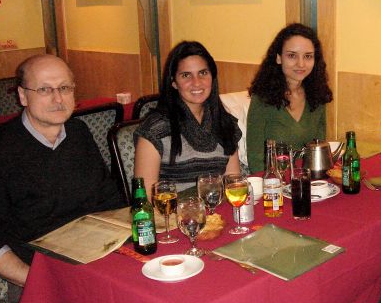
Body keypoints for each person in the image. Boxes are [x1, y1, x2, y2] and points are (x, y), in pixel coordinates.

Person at [0, 54, 124, 291]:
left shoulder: (78, 133)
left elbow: (109, 199)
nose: (58, 98)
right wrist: (38, 281)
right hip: (39, 273)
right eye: (44, 89)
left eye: (64, 88)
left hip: (97, 258)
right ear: (23, 95)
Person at [134, 41, 241, 195]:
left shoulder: (225, 123)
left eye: (203, 73)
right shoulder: (155, 130)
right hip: (172, 215)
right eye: (186, 75)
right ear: (174, 83)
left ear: (212, 77)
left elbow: (233, 182)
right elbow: (145, 196)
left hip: (217, 215)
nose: (196, 83)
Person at [246, 23, 333, 173]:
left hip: (308, 182)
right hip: (274, 185)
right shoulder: (262, 99)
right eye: (292, 55)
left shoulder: (317, 96)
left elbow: (319, 152)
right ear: (279, 58)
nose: (301, 64)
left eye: (308, 56)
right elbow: (255, 159)